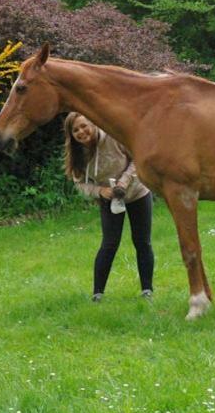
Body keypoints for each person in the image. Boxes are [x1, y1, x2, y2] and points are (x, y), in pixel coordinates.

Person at [63, 112, 154, 302]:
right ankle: (97, 294)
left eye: (84, 126)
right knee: (109, 244)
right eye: (75, 130)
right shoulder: (77, 154)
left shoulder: (113, 136)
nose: (81, 132)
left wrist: (124, 182)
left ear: (94, 124)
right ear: (71, 135)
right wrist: (100, 191)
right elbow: (80, 183)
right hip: (109, 199)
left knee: (142, 241)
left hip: (137, 192)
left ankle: (147, 290)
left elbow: (136, 158)